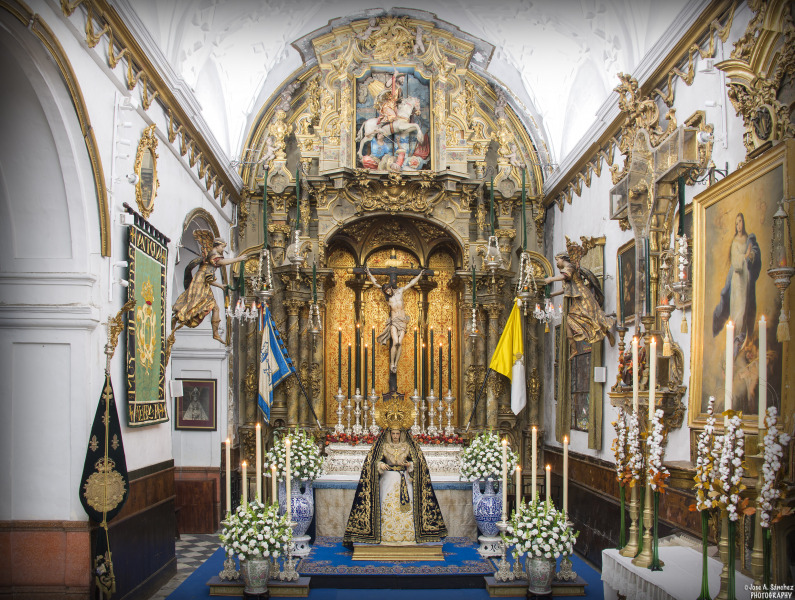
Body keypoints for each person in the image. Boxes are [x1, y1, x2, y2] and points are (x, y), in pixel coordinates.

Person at [343, 397, 446, 546]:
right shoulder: (383, 446)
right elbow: (372, 462)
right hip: (388, 479)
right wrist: (380, 465)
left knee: (407, 508)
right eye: (393, 433)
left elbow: (419, 463)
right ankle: (386, 534)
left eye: (398, 433)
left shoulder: (408, 446)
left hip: (404, 479)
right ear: (389, 433)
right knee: (387, 505)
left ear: (401, 433)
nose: (396, 436)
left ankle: (408, 534)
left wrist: (410, 465)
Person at [171, 230, 253, 344]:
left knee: (215, 308)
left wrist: (220, 286)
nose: (223, 249)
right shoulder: (213, 254)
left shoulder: (213, 255)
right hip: (199, 283)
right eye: (222, 247)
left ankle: (215, 334)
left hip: (204, 282)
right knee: (193, 304)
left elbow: (208, 278)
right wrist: (238, 259)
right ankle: (176, 317)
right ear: (217, 245)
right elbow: (221, 263)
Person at [545, 252, 615, 359]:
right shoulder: (566, 271)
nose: (557, 263)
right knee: (569, 321)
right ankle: (574, 349)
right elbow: (565, 289)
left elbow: (565, 275)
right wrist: (552, 294)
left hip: (583, 296)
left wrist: (551, 279)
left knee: (591, 317)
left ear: (563, 259)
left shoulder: (570, 267)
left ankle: (607, 332)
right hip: (577, 298)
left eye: (557, 260)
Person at [712, 212, 761, 357]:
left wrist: (751, 255)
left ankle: (742, 338)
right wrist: (744, 256)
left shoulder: (748, 239)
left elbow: (753, 256)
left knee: (745, 308)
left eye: (740, 222)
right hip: (737, 280)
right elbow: (736, 262)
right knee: (737, 310)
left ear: (743, 223)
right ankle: (736, 339)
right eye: (736, 223)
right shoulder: (735, 241)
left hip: (745, 279)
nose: (738, 225)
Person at [365, 265, 425, 373]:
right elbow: (376, 283)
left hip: (403, 320)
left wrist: (420, 274)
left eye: (388, 290)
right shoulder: (388, 297)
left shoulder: (400, 291)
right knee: (395, 342)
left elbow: (411, 283)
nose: (387, 292)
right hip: (394, 321)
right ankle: (391, 363)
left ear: (390, 288)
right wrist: (369, 273)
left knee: (399, 343)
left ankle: (395, 364)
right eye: (385, 291)